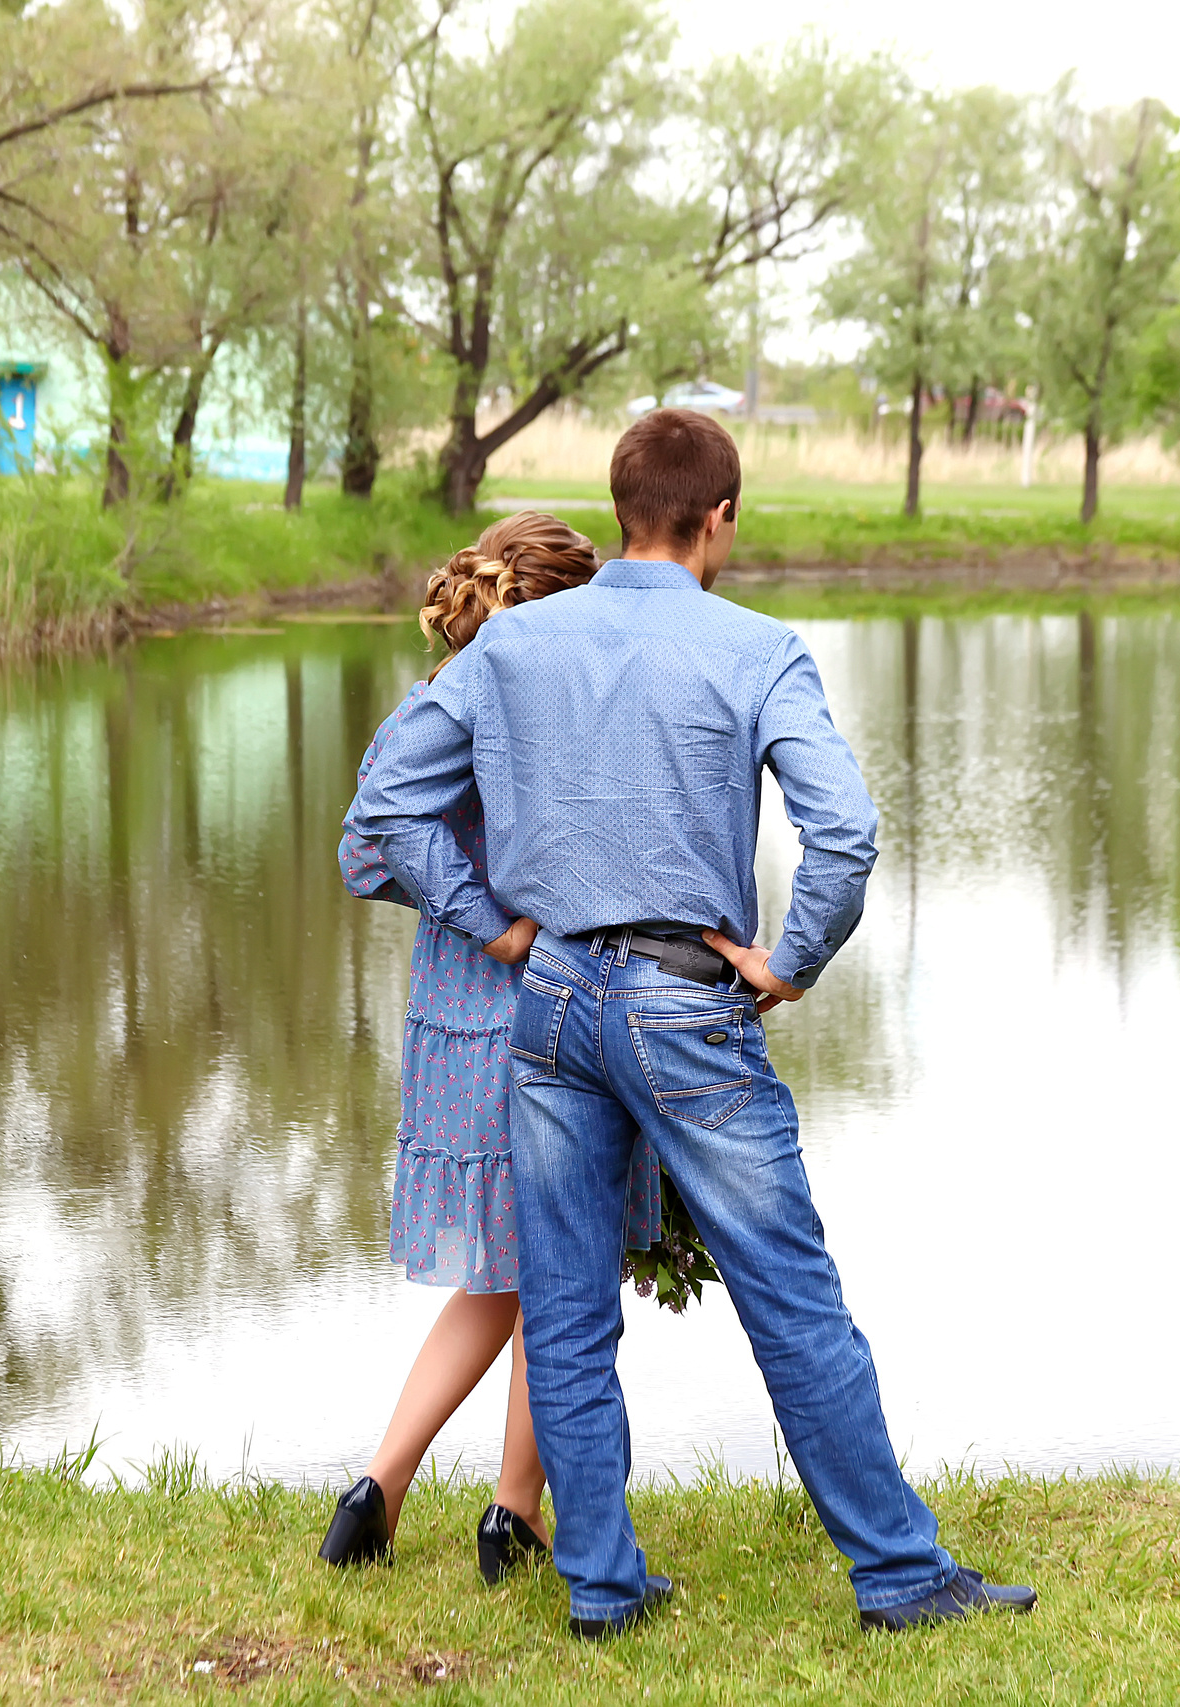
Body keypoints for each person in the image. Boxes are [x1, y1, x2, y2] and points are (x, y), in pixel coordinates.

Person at [348, 409, 1038, 1638]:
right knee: (791, 1292)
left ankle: (602, 1591)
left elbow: (386, 807)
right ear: (719, 517)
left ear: (621, 511)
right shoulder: (758, 649)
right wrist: (788, 964)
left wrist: (498, 926)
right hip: (683, 1003)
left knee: (562, 1305)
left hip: (551, 1003)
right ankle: (899, 1575)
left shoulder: (515, 649)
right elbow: (846, 833)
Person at [319, 511, 663, 1582]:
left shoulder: (420, 712)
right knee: (564, 1265)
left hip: (448, 1023)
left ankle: (378, 1487)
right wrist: (501, 917)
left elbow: (363, 856)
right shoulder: (557, 724)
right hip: (539, 1002)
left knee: (509, 1278)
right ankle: (512, 1513)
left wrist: (453, 901)